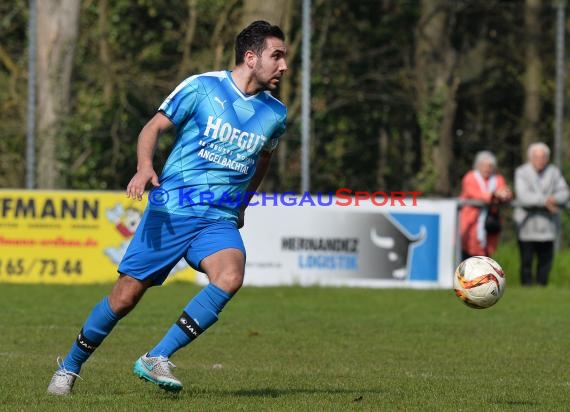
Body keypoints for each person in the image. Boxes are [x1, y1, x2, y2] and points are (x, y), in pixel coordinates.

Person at [47, 20, 288, 395]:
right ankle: (70, 367)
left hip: (217, 218)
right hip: (173, 209)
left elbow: (263, 160)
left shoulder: (275, 113)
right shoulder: (202, 87)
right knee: (125, 296)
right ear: (251, 56)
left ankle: (157, 356)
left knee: (230, 276)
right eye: (277, 56)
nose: (284, 65)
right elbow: (152, 128)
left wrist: (243, 203)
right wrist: (145, 167)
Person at [514, 142, 569, 286]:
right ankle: (526, 287)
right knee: (526, 260)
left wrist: (554, 199)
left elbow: (564, 192)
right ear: (530, 158)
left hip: (548, 226)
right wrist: (546, 201)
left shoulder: (554, 172)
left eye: (543, 157)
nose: (540, 160)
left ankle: (541, 286)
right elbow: (524, 197)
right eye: (537, 157)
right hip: (527, 226)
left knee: (545, 260)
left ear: (548, 158)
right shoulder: (522, 172)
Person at [459, 150, 513, 260]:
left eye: (490, 166)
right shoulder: (470, 177)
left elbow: (504, 192)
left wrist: (505, 195)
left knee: (484, 262)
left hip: (489, 226)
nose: (487, 168)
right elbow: (475, 194)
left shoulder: (498, 179)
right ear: (478, 165)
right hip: (470, 225)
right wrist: (494, 195)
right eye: (484, 165)